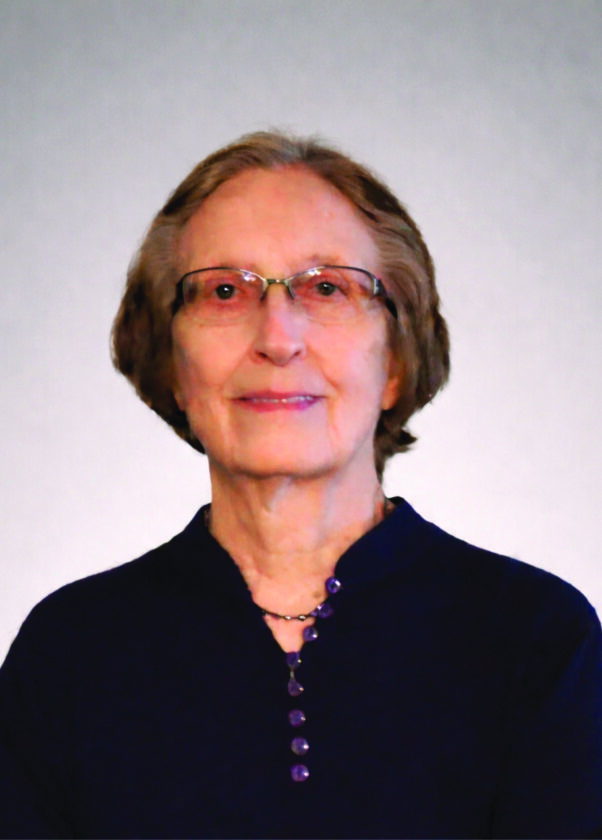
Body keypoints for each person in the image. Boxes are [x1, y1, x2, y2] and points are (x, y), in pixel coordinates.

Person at [0, 131, 601, 840]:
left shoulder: (535, 640)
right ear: (171, 365)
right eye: (225, 291)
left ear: (397, 361)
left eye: (327, 288)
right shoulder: (69, 654)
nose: (278, 337)